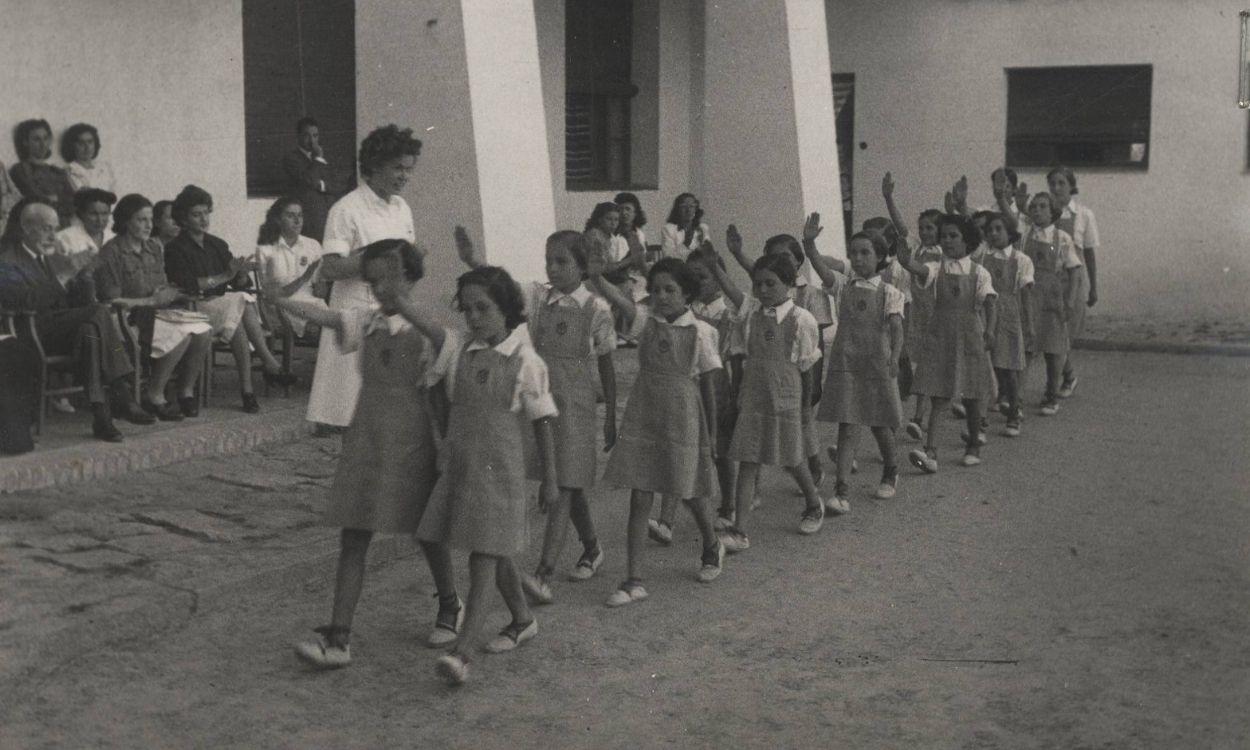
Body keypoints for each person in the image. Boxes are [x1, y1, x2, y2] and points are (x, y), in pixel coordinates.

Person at [270, 239, 462, 671]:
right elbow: (324, 315)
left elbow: (443, 341)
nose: (379, 289)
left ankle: (450, 604)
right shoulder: (367, 323)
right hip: (367, 438)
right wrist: (280, 297)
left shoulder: (431, 328)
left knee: (424, 530)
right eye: (373, 280)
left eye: (388, 278)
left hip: (412, 439)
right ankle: (339, 638)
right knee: (353, 534)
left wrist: (402, 303)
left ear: (411, 277)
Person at [411, 265, 560, 686]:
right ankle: (523, 618)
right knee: (482, 547)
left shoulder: (525, 360)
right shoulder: (462, 353)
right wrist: (442, 444)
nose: (474, 318)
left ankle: (462, 654)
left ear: (507, 309)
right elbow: (437, 394)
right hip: (463, 467)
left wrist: (549, 478)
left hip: (501, 475)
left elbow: (544, 421)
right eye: (468, 310)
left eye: (484, 308)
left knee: (483, 559)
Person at [453, 228, 616, 604]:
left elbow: (606, 358)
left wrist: (609, 413)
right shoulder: (539, 298)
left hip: (576, 404)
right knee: (561, 479)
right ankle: (591, 547)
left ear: (581, 265)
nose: (553, 269)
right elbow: (503, 286)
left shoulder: (596, 308)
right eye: (549, 261)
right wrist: (474, 260)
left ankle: (543, 574)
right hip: (542, 398)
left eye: (562, 262)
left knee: (566, 485)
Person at [602, 258, 727, 608]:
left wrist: (712, 433)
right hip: (644, 412)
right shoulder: (646, 322)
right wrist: (596, 276)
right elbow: (623, 302)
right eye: (655, 289)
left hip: (682, 414)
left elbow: (708, 387)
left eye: (670, 289)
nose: (661, 295)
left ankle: (712, 544)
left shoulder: (702, 332)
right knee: (639, 494)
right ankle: (634, 579)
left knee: (687, 490)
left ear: (687, 293)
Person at [0, 200, 153, 441]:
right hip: (28, 333)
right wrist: (65, 275)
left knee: (91, 331)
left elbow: (74, 301)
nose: (53, 235)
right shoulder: (8, 260)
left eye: (55, 228)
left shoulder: (47, 258)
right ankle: (121, 389)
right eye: (46, 228)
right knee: (99, 314)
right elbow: (25, 301)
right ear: (27, 228)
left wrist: (86, 273)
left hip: (57, 329)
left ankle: (101, 416)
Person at [306, 125, 419, 432]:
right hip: (356, 309)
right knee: (347, 413)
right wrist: (377, 260)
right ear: (374, 165)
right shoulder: (346, 209)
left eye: (409, 169)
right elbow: (330, 268)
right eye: (397, 168)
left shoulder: (402, 208)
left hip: (393, 310)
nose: (404, 176)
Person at [717, 253, 828, 554]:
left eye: (770, 283)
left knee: (793, 459)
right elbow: (741, 357)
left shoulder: (802, 320)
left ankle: (814, 504)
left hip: (786, 398)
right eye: (758, 284)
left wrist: (805, 408)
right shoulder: (750, 317)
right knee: (748, 461)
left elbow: (807, 368)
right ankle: (740, 529)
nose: (763, 290)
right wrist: (737, 395)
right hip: (754, 396)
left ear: (789, 284)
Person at [163, 185, 295, 413]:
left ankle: (248, 391)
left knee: (238, 316)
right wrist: (226, 275)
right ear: (184, 219)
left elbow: (239, 284)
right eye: (196, 214)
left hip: (223, 308)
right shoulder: (176, 248)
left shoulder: (217, 244)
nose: (204, 219)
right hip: (194, 308)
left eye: (206, 213)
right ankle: (268, 363)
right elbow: (190, 285)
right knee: (238, 302)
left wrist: (241, 273)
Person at [727, 223, 835, 486]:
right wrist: (738, 254)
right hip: (767, 373)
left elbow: (816, 339)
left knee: (804, 425)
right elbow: (758, 276)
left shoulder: (810, 294)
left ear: (798, 261)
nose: (780, 261)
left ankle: (813, 466)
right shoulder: (763, 295)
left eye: (786, 257)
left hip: (797, 373)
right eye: (774, 256)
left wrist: (815, 382)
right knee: (761, 428)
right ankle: (756, 485)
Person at [648, 246, 740, 541]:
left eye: (701, 276)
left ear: (718, 277)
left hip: (713, 387)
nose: (697, 283)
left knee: (720, 452)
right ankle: (666, 520)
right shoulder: (682, 312)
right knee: (679, 451)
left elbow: (726, 356)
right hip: (683, 390)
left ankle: (728, 505)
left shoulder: (724, 315)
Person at [95, 194, 212, 420]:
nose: (149, 225)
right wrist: (149, 301)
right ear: (126, 221)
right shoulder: (111, 252)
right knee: (183, 335)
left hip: (155, 313)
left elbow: (160, 285)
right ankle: (154, 394)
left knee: (203, 331)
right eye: (141, 220)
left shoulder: (152, 248)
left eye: (150, 219)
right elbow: (112, 301)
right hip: (124, 318)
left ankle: (184, 391)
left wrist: (168, 292)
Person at [900, 213, 997, 472]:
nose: (948, 240)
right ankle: (931, 452)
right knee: (939, 396)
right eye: (944, 236)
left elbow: (989, 302)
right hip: (941, 336)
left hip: (969, 336)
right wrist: (905, 259)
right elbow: (918, 269)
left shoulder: (980, 272)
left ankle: (973, 444)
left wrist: (990, 331)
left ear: (968, 241)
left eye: (954, 236)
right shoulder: (936, 267)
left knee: (972, 395)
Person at [817, 231, 905, 507]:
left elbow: (896, 328)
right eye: (853, 252)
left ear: (880, 257)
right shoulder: (843, 286)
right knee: (848, 422)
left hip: (876, 363)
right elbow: (822, 269)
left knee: (879, 423)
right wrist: (809, 246)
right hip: (846, 362)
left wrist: (895, 359)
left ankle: (890, 471)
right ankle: (841, 490)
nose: (858, 258)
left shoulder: (890, 292)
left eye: (865, 253)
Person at [882, 178, 944, 441]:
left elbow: (919, 270)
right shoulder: (917, 246)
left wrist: (908, 263)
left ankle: (919, 417)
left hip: (933, 313)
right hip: (914, 311)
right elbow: (901, 228)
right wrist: (888, 198)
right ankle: (919, 411)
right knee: (918, 362)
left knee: (927, 366)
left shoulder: (942, 254)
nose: (926, 232)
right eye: (923, 228)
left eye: (931, 228)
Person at [1013, 192, 1083, 416]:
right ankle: (1016, 399)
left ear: (1053, 212)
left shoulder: (1061, 238)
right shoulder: (1024, 236)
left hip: (1052, 299)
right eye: (1033, 206)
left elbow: (1074, 270)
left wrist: (1070, 301)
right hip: (1029, 296)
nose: (1037, 210)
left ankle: (1051, 395)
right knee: (1026, 349)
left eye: (1043, 206)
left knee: (1053, 351)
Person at [981, 209, 1034, 437]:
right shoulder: (982, 258)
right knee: (985, 366)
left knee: (1009, 367)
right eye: (990, 230)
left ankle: (1014, 413)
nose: (993, 234)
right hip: (986, 314)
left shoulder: (1021, 260)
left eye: (998, 229)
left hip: (1010, 314)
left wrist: (1029, 325)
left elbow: (1026, 295)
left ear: (1010, 233)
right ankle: (980, 418)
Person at [1047, 166, 1099, 399]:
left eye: (1061, 183)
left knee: (1064, 334)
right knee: (1053, 333)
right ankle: (1067, 376)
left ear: (1071, 186)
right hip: (1050, 281)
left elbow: (1088, 253)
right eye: (1053, 183)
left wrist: (1094, 287)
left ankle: (1058, 385)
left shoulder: (1084, 215)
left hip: (1075, 282)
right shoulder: (1044, 212)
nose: (1056, 188)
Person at [255, 196, 324, 337]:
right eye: (291, 216)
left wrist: (324, 282)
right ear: (278, 220)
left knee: (334, 325)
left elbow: (319, 289)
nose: (297, 221)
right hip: (281, 307)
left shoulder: (313, 245)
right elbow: (271, 295)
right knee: (321, 328)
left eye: (300, 216)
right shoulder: (266, 248)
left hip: (311, 303)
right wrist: (304, 277)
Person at [9, 119, 76, 227]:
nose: (43, 144)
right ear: (25, 142)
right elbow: (36, 198)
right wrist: (58, 199)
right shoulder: (20, 169)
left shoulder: (57, 171)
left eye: (46, 138)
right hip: (39, 225)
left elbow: (74, 202)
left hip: (65, 224)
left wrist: (55, 199)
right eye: (36, 139)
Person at [281, 117, 334, 242]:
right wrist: (319, 159)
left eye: (315, 136)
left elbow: (336, 183)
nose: (312, 140)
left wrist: (319, 185)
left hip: (326, 219)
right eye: (307, 136)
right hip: (308, 221)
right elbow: (308, 179)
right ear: (298, 136)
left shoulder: (322, 158)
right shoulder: (291, 159)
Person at [53, 189, 116, 285]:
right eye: (93, 214)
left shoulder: (113, 237)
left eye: (104, 214)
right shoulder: (64, 238)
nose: (100, 220)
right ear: (81, 214)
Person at [60, 123, 117, 193]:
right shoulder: (69, 171)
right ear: (72, 146)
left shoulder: (105, 168)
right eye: (81, 143)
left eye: (90, 142)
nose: (87, 147)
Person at [613, 192, 649, 302]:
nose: (624, 213)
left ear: (635, 213)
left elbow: (641, 262)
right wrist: (632, 259)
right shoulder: (612, 235)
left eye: (628, 209)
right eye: (620, 209)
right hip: (616, 278)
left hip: (636, 276)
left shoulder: (638, 233)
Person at [659, 193, 709, 260]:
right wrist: (685, 244)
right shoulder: (668, 229)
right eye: (684, 206)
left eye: (691, 206)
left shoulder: (703, 228)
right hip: (678, 268)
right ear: (677, 210)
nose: (688, 210)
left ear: (696, 209)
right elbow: (668, 258)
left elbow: (708, 253)